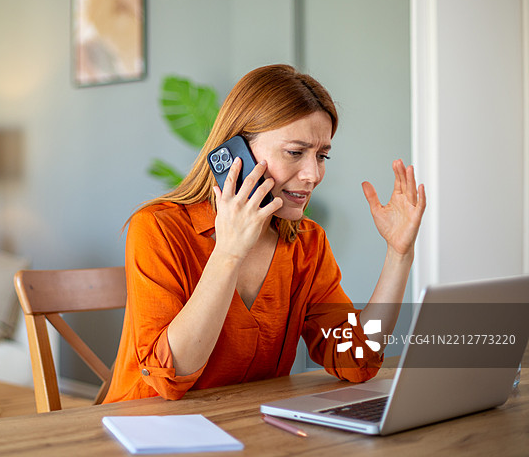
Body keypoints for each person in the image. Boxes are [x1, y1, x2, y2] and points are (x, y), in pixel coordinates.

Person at [103, 64, 426, 403]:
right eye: (295, 152)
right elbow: (172, 378)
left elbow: (357, 359)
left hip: (247, 431)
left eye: (321, 155)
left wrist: (398, 254)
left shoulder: (306, 243)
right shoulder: (158, 228)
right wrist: (229, 253)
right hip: (144, 429)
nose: (313, 174)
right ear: (234, 154)